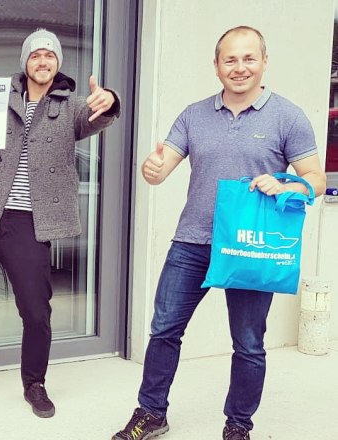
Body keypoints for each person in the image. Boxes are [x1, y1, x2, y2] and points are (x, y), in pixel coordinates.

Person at [111, 26, 326, 440]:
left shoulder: (288, 116)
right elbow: (160, 169)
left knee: (248, 344)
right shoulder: (193, 115)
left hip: (249, 246)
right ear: (216, 66)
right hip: (192, 241)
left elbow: (315, 178)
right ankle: (151, 413)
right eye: (230, 59)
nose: (239, 67)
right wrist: (151, 170)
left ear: (264, 61)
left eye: (248, 58)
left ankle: (238, 425)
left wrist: (290, 186)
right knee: (165, 330)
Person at [0, 28, 120, 418]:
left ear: (57, 63)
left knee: (36, 312)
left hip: (31, 222)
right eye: (35, 54)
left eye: (49, 55)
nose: (42, 60)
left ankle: (34, 384)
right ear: (25, 61)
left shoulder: (70, 105)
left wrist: (111, 101)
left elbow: (99, 117)